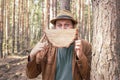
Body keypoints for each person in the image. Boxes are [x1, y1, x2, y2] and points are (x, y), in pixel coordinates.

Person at [26, 10, 92, 80]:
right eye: (59, 25)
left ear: (73, 27)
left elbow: (87, 76)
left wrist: (80, 56)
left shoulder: (85, 46)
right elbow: (31, 75)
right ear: (55, 28)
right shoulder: (46, 47)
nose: (63, 28)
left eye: (67, 25)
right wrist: (32, 56)